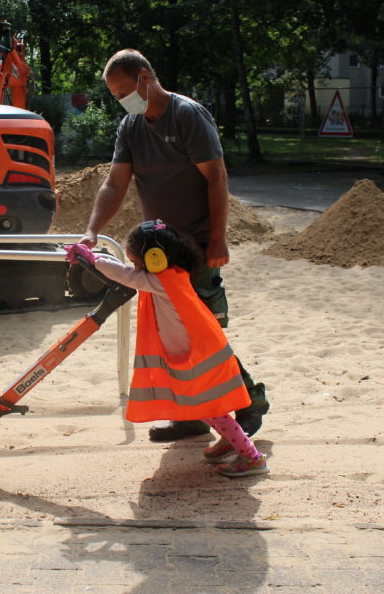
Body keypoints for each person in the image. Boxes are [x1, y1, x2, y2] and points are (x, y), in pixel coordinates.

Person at [79, 49, 269, 443]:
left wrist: (217, 238)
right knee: (172, 338)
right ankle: (192, 416)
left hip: (196, 248)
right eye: (115, 96)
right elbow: (115, 184)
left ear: (146, 77)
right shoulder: (131, 126)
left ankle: (250, 402)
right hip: (159, 252)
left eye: (123, 91)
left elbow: (216, 177)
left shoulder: (187, 116)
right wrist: (92, 230)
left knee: (202, 334)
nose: (121, 101)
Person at [66, 222, 268, 478]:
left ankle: (252, 458)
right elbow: (130, 272)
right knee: (199, 404)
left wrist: (93, 258)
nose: (135, 265)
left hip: (196, 358)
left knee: (208, 407)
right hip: (194, 355)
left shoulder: (164, 282)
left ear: (156, 258)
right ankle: (232, 439)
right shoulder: (172, 274)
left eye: (138, 260)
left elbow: (126, 275)